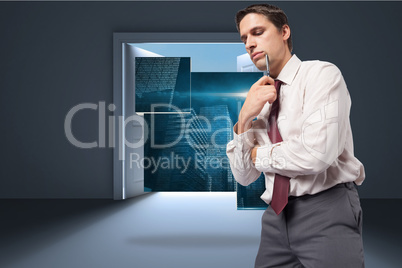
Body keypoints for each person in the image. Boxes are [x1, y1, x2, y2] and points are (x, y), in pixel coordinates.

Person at [226, 4, 365, 268]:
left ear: (284, 32)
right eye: (244, 38)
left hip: (326, 209)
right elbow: (244, 176)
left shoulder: (321, 75)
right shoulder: (260, 100)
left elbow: (316, 154)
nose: (249, 44)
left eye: (257, 32)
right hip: (275, 219)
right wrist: (244, 118)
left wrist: (257, 154)